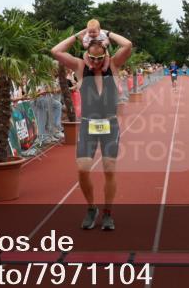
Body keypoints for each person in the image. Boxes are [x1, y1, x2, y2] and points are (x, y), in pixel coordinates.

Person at [52, 28, 132, 231]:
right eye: (92, 58)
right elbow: (56, 51)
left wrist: (108, 32)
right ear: (86, 54)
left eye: (99, 58)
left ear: (105, 54)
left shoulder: (113, 65)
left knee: (109, 170)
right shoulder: (80, 67)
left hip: (110, 124)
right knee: (83, 169)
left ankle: (107, 212)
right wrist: (79, 35)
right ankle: (91, 208)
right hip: (88, 124)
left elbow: (127, 45)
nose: (95, 62)